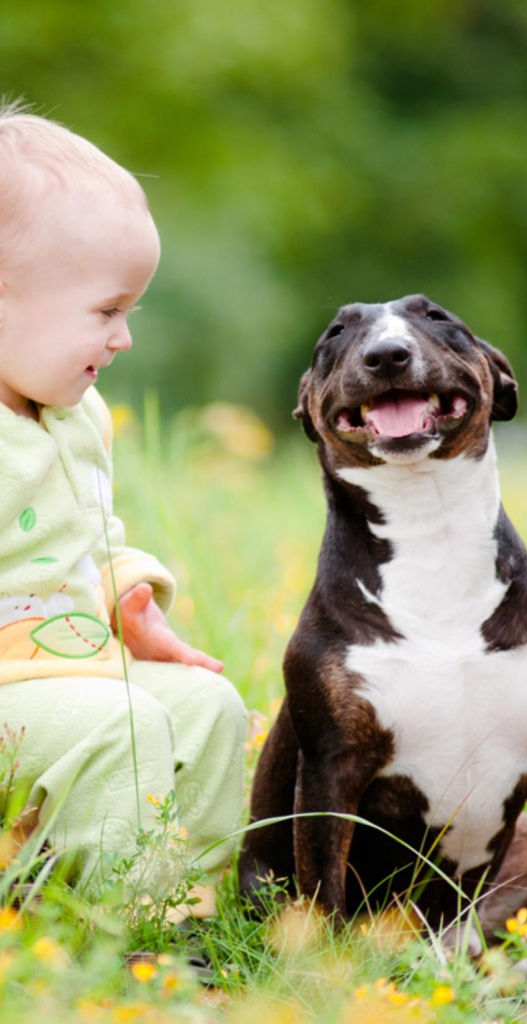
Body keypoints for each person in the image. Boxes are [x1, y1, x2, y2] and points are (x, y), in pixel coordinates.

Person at [0, 104, 247, 898]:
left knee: (209, 704)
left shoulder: (78, 416)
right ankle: (115, 929)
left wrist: (127, 593)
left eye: (130, 312)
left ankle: (188, 912)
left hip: (74, 669)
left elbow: (91, 536)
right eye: (107, 311)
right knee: (126, 730)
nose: (125, 338)